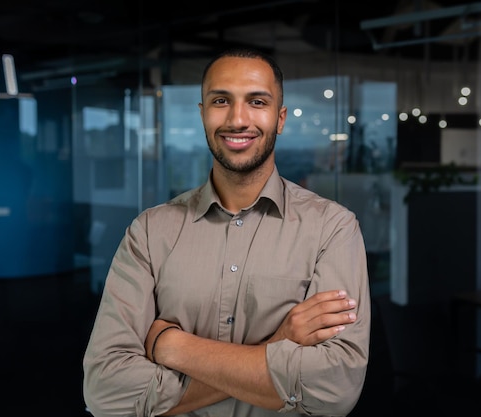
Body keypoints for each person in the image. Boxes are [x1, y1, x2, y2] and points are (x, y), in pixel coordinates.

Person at [83, 47, 371, 417]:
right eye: (221, 100)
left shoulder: (333, 229)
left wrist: (172, 346)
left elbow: (334, 390)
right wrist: (279, 344)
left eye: (257, 101)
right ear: (202, 114)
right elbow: (105, 390)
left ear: (280, 118)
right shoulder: (150, 232)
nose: (238, 119)